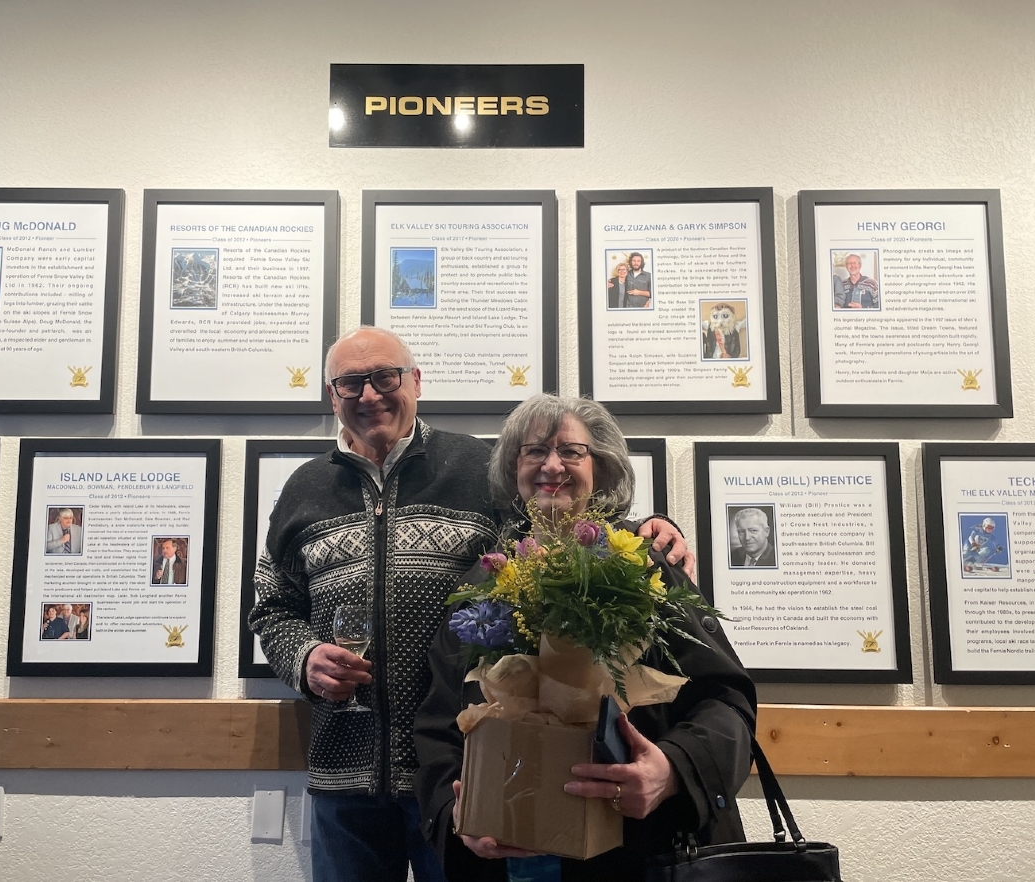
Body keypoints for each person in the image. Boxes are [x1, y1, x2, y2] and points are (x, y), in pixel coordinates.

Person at [248, 326, 691, 882]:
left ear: (415, 382)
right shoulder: (302, 489)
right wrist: (305, 657)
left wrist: (653, 528)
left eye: (384, 377)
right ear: (331, 395)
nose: (369, 395)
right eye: (350, 383)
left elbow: (558, 526)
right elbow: (271, 607)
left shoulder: (475, 468)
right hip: (345, 775)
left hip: (464, 775)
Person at [413, 394, 756, 881]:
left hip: (647, 852)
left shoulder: (645, 566)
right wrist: (457, 818)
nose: (552, 465)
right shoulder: (483, 582)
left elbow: (725, 697)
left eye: (571, 452)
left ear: (603, 468)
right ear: (515, 470)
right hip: (510, 857)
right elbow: (439, 725)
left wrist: (672, 770)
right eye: (535, 452)